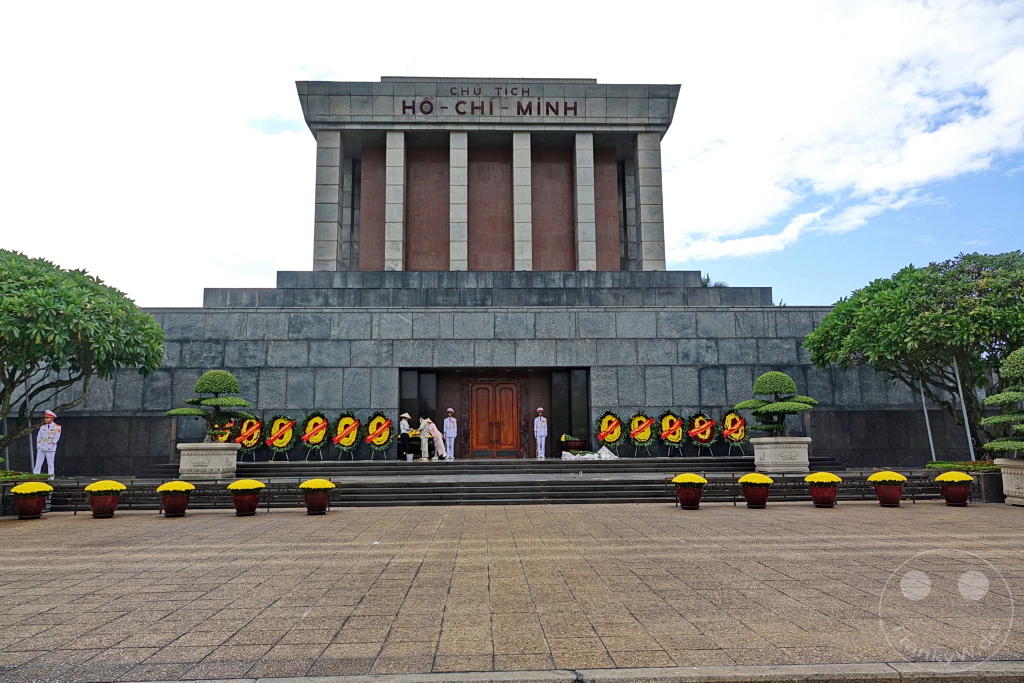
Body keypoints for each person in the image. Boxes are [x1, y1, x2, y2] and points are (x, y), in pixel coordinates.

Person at [33, 410, 61, 475]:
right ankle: (35, 476)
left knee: (50, 464)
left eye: (47, 418)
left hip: (50, 448)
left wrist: (49, 447)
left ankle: (50, 477)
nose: (45, 419)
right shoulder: (42, 427)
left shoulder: (57, 427)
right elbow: (39, 437)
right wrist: (39, 445)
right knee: (38, 463)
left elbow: (56, 438)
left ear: (52, 418)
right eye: (45, 418)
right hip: (41, 446)